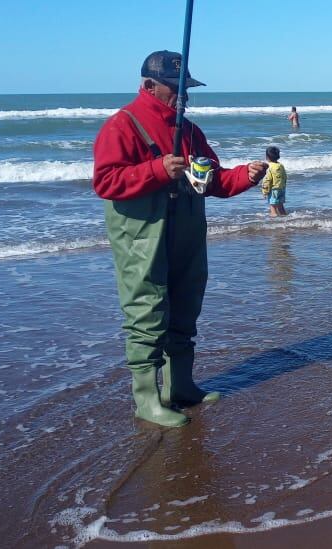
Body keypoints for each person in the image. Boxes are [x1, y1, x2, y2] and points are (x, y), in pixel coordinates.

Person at [93, 50, 269, 427]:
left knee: (186, 303)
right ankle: (147, 399)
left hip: (187, 228)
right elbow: (105, 181)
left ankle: (181, 386)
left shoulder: (188, 130)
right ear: (149, 86)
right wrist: (156, 170)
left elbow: (214, 180)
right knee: (148, 309)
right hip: (143, 234)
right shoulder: (121, 125)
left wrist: (246, 175)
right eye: (175, 89)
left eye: (186, 88)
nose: (182, 97)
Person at [260, 146, 287, 216]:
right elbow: (285, 176)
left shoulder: (269, 167)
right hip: (281, 189)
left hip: (273, 190)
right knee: (281, 206)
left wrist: (265, 191)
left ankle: (274, 221)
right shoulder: (280, 165)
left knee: (273, 206)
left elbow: (267, 180)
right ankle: (285, 218)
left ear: (267, 157)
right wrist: (283, 186)